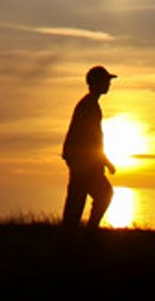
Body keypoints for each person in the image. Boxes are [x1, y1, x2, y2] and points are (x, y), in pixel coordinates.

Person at [60, 65, 117, 231]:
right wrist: (104, 161)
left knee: (77, 202)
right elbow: (90, 139)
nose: (109, 85)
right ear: (97, 83)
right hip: (84, 163)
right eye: (106, 81)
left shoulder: (90, 104)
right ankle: (88, 236)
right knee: (102, 194)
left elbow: (93, 139)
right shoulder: (89, 106)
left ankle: (71, 243)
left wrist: (104, 161)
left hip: (82, 161)